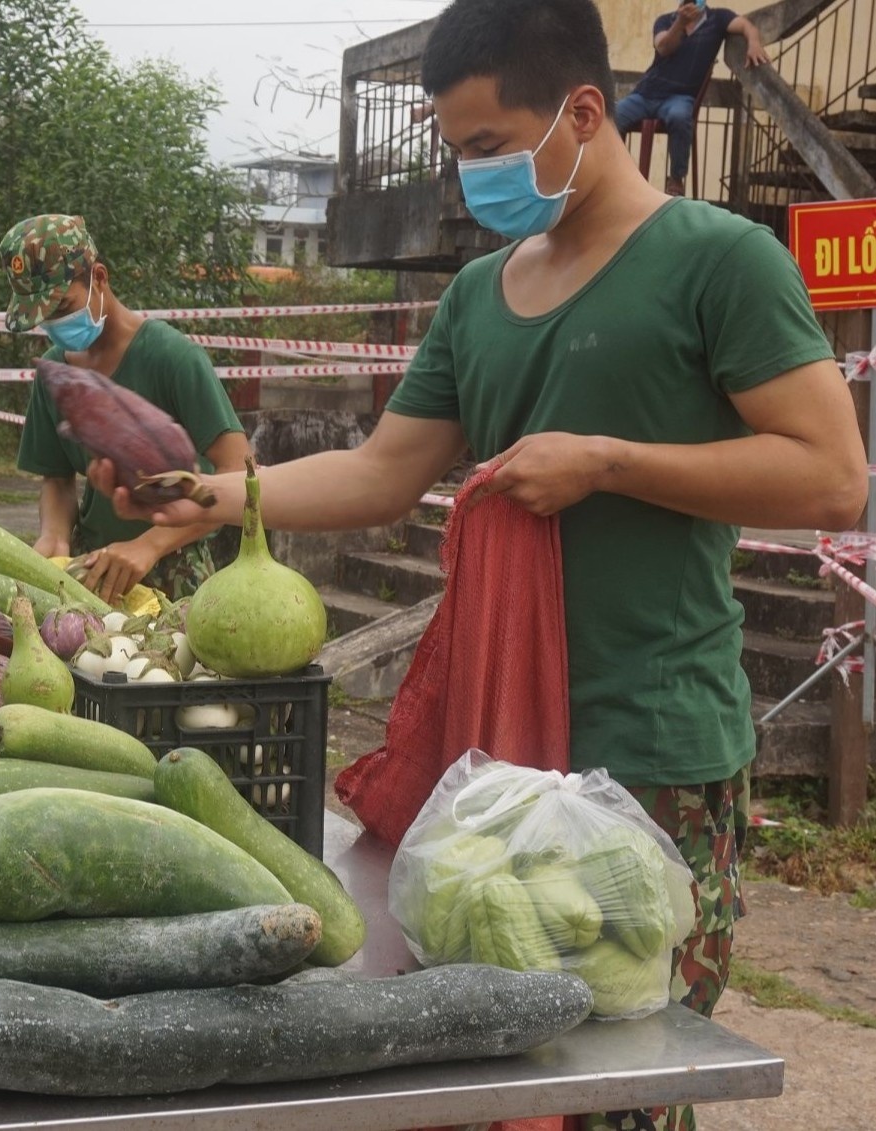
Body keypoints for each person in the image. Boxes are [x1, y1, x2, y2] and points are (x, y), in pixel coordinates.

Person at [94, 2, 864, 1128]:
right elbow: (381, 472)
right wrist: (213, 494)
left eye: (488, 148)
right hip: (492, 756)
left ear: (582, 111)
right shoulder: (476, 294)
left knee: (621, 1075)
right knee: (492, 1079)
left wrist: (605, 462)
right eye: (456, 151)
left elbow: (828, 477)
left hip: (649, 751)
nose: (469, 179)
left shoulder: (718, 260)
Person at [0, 214, 250, 605]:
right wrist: (54, 535)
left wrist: (149, 545)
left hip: (174, 573)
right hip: (90, 572)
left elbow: (238, 472)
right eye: (43, 317)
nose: (54, 324)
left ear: (98, 278)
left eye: (62, 306)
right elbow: (57, 480)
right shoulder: (55, 374)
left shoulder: (173, 357)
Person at [613, 2, 770, 196]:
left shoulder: (718, 18)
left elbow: (747, 26)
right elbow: (663, 47)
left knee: (679, 117)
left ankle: (676, 180)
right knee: (612, 115)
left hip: (679, 97)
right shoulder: (666, 21)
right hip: (646, 93)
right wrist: (680, 23)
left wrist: (754, 43)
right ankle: (616, 173)